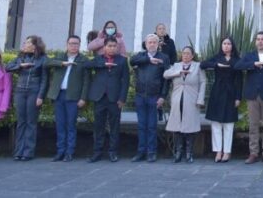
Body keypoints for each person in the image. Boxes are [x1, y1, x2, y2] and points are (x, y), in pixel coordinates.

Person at [234, 31, 263, 164]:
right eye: (258, 39)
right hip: (252, 95)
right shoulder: (250, 56)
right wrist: (253, 64)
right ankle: (253, 153)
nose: (260, 41)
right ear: (255, 42)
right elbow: (237, 66)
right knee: (253, 125)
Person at [84, 36, 129, 162]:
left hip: (115, 98)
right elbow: (86, 65)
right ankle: (97, 152)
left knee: (114, 126)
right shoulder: (99, 59)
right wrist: (103, 64)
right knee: (99, 126)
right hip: (99, 97)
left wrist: (122, 98)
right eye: (109, 46)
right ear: (104, 47)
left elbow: (125, 81)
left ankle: (113, 152)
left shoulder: (122, 60)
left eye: (114, 46)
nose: (112, 48)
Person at [46, 34, 90, 162]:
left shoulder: (83, 60)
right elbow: (46, 63)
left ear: (79, 45)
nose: (73, 46)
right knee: (60, 124)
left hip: (73, 96)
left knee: (70, 125)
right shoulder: (60, 56)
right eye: (71, 43)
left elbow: (86, 81)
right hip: (59, 95)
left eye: (76, 44)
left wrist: (83, 98)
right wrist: (61, 63)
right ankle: (60, 151)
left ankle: (69, 152)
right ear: (67, 44)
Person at [6, 35, 49, 161]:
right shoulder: (20, 57)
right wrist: (20, 66)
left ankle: (28, 152)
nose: (24, 45)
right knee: (21, 122)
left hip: (34, 92)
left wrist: (41, 96)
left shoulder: (43, 59)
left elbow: (44, 80)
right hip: (20, 91)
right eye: (24, 43)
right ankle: (18, 151)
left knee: (31, 122)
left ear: (35, 45)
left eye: (27, 43)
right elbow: (7, 67)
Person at [130, 33, 171, 162]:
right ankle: (141, 151)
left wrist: (162, 96)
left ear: (158, 44)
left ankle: (151, 152)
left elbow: (166, 79)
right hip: (140, 95)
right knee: (141, 125)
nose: (152, 44)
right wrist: (148, 60)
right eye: (149, 42)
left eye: (154, 42)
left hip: (154, 96)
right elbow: (132, 61)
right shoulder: (141, 56)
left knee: (152, 126)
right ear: (146, 44)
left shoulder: (164, 57)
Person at [201, 36, 240, 162]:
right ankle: (218, 151)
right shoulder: (217, 58)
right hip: (217, 92)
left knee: (228, 124)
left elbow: (240, 81)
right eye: (224, 43)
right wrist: (216, 65)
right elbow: (203, 64)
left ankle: (227, 152)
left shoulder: (236, 60)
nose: (226, 46)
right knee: (216, 123)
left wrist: (238, 97)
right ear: (221, 45)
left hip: (231, 93)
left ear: (232, 45)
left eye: (229, 43)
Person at [165, 46, 206, 163]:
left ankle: (189, 152)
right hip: (178, 98)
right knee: (177, 126)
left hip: (192, 99)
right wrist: (179, 72)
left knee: (190, 126)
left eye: (188, 53)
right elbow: (165, 74)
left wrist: (200, 99)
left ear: (192, 55)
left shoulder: (197, 66)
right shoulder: (176, 66)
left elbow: (203, 82)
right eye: (184, 53)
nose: (186, 55)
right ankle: (178, 152)